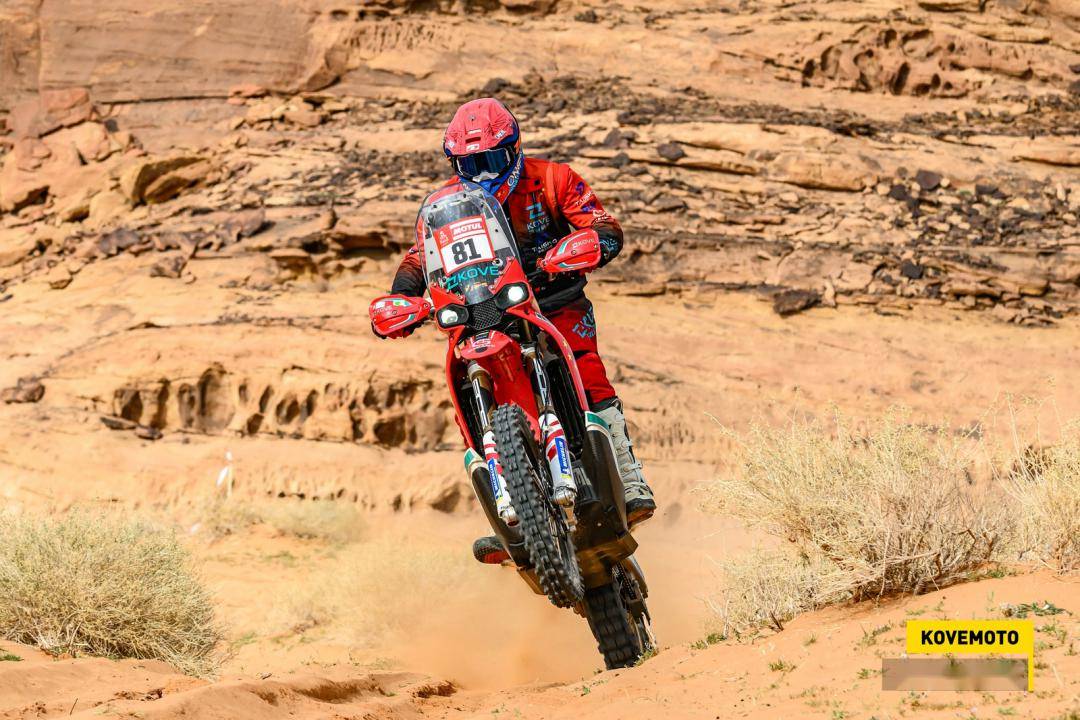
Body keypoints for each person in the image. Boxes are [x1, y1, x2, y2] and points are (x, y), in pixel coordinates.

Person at [373, 97, 655, 561]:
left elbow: (602, 223)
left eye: (492, 160)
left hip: (553, 300)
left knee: (586, 369)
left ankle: (628, 475)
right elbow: (419, 257)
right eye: (469, 164)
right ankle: (507, 517)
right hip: (478, 313)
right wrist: (403, 295)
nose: (482, 173)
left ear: (515, 149)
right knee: (464, 395)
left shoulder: (553, 179)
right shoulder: (443, 207)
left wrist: (591, 243)